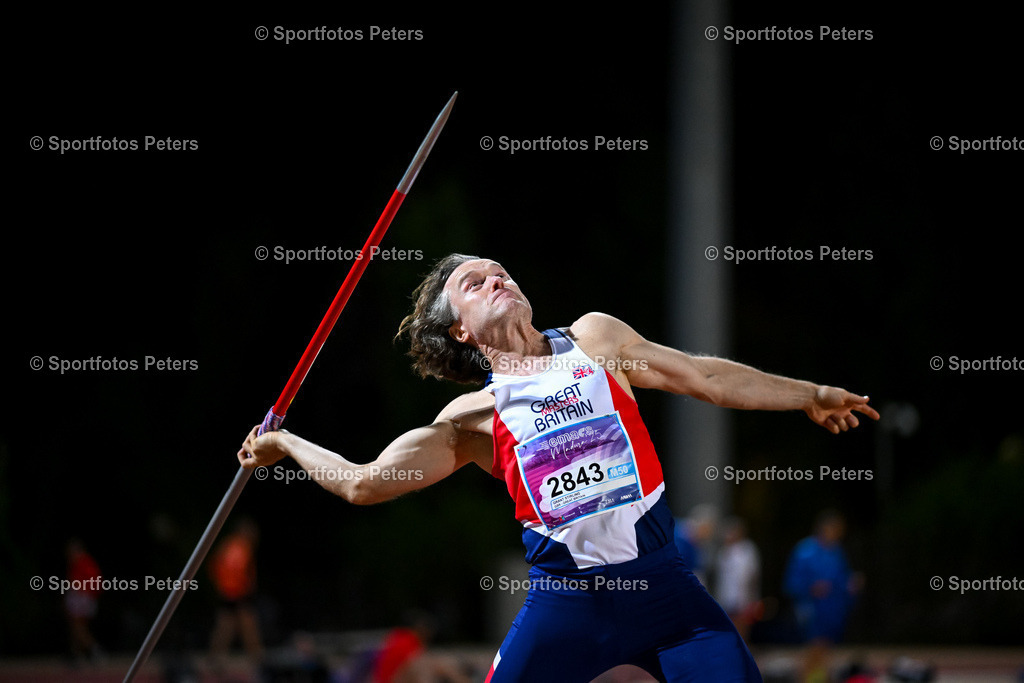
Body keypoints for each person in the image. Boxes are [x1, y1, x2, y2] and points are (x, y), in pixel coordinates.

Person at [238, 254, 879, 682]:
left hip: (667, 594)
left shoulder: (596, 342)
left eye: (501, 272)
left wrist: (809, 394)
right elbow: (364, 482)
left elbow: (704, 377)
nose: (498, 279)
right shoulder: (471, 418)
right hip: (565, 607)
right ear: (461, 331)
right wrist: (286, 443)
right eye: (475, 283)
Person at [783, 510, 863, 681]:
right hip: (811, 610)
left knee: (824, 650)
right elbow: (791, 582)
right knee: (815, 647)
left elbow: (841, 580)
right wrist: (811, 588)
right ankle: (804, 678)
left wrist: (851, 585)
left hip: (832, 612)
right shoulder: (805, 551)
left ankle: (819, 678)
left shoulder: (836, 552)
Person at [208, 517, 263, 667]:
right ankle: (257, 657)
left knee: (228, 625)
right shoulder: (238, 546)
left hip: (229, 592)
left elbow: (214, 565)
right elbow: (235, 570)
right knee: (243, 624)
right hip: (235, 593)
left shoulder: (230, 544)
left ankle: (216, 658)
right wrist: (246, 586)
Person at [714, 517, 762, 643]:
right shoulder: (724, 551)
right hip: (727, 594)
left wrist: (752, 597)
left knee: (743, 625)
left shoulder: (748, 549)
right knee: (729, 624)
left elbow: (753, 574)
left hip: (744, 595)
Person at [64, 538, 103, 663]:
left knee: (78, 627)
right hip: (79, 598)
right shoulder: (75, 564)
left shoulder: (86, 563)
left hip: (83, 598)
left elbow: (94, 583)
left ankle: (94, 650)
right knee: (76, 627)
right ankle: (76, 655)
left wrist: (84, 595)